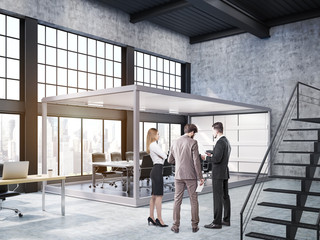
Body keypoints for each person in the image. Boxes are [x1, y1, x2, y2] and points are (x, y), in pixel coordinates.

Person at [168, 124, 204, 233]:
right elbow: (196, 162)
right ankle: (194, 225)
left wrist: (179, 162)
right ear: (192, 132)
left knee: (177, 200)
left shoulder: (175, 142)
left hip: (178, 175)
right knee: (193, 200)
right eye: (194, 133)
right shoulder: (193, 142)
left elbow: (170, 160)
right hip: (190, 176)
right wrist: (200, 177)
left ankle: (175, 225)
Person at [202, 122, 231, 229]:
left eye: (212, 131)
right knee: (225, 196)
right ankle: (226, 220)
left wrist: (206, 158)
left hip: (218, 174)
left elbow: (216, 159)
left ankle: (216, 222)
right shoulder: (226, 141)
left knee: (217, 198)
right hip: (224, 172)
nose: (212, 133)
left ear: (216, 130)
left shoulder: (219, 142)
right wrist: (213, 153)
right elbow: (221, 156)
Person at [146, 128, 168, 228]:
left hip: (155, 170)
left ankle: (151, 217)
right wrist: (163, 156)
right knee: (159, 196)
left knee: (154, 196)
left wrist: (162, 157)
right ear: (153, 135)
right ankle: (159, 219)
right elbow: (164, 156)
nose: (159, 136)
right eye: (158, 134)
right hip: (157, 170)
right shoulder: (154, 145)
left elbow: (162, 157)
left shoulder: (151, 145)